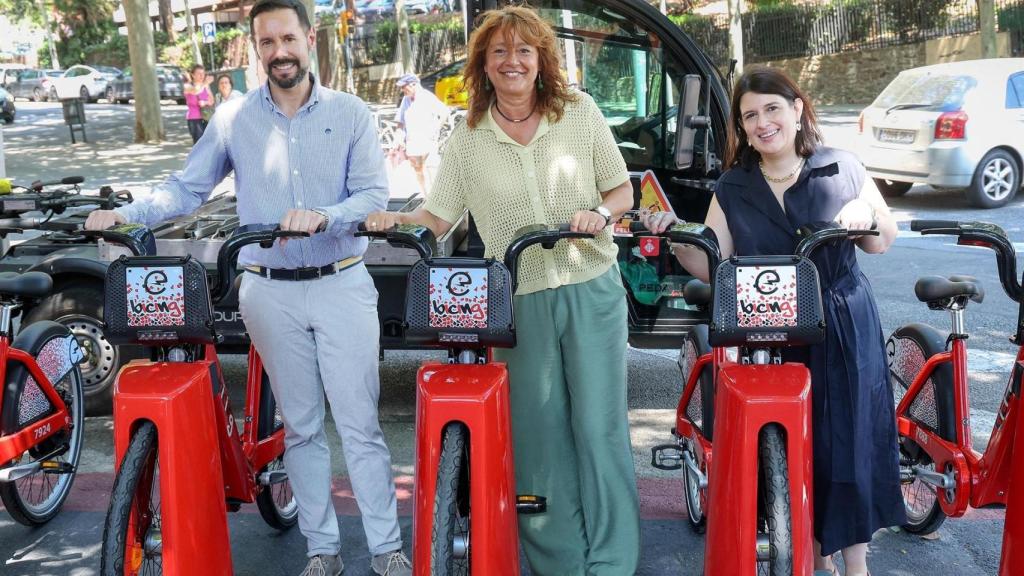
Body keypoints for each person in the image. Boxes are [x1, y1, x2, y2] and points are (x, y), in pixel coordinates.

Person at [84, 1, 412, 575]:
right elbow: (187, 189)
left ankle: (386, 550)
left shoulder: (351, 112)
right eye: (267, 42)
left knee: (360, 424)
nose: (280, 52)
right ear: (256, 47)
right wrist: (128, 214)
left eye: (288, 38)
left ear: (309, 39)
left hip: (342, 282)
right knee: (302, 427)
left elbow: (371, 198)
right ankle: (323, 551)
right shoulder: (235, 118)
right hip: (268, 290)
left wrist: (324, 215)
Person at [367, 6, 639, 575]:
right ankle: (557, 562)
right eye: (499, 53)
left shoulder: (580, 112)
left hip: (591, 286)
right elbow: (438, 217)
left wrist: (596, 211)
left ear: (540, 60)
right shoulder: (467, 137)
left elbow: (622, 192)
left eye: (523, 50)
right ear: (483, 67)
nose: (512, 61)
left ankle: (613, 561)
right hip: (518, 300)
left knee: (600, 427)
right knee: (538, 435)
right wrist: (397, 224)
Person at [643, 65, 905, 576]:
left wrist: (863, 215)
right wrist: (676, 233)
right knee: (784, 443)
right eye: (749, 116)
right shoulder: (734, 185)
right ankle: (804, 549)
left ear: (797, 109)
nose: (762, 123)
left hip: (841, 319)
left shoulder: (841, 168)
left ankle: (856, 564)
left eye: (771, 109)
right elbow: (712, 258)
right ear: (741, 129)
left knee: (847, 442)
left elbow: (882, 237)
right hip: (771, 328)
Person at [394, 73, 448, 195]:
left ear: (413, 85)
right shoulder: (406, 100)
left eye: (404, 86)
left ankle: (436, 199)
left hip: (428, 142)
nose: (402, 90)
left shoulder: (427, 97)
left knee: (431, 170)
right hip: (412, 143)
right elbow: (400, 122)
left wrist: (436, 129)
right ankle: (426, 197)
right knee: (418, 171)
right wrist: (398, 137)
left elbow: (444, 112)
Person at [184, 64, 214, 143]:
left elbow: (211, 100)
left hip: (206, 117)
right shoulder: (187, 86)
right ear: (193, 75)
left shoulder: (205, 85)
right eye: (199, 74)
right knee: (199, 143)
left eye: (203, 74)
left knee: (208, 142)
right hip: (194, 118)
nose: (202, 76)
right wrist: (205, 84)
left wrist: (205, 102)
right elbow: (195, 91)